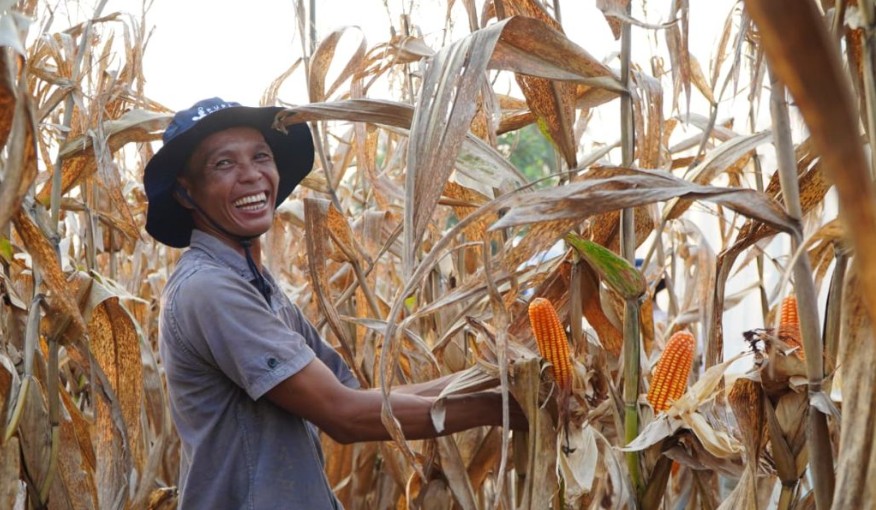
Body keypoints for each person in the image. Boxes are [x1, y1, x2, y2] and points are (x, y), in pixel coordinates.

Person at [143, 98, 527, 509]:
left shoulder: (258, 288)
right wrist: (498, 408)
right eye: (223, 164)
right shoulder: (210, 290)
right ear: (185, 191)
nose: (251, 175)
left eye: (261, 157)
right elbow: (343, 414)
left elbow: (356, 395)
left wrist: (495, 378)